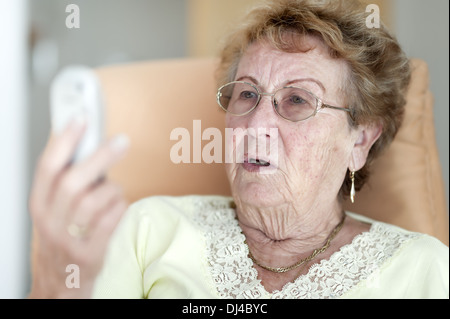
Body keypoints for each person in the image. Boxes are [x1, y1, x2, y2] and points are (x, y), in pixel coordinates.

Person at [28, 0, 448, 299]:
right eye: (246, 94)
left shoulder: (425, 268)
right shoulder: (149, 229)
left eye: (298, 100)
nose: (255, 125)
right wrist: (54, 286)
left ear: (360, 140)